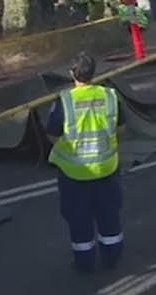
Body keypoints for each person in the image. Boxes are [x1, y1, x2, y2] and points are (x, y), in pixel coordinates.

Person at [46, 52, 124, 274]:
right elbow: (121, 128)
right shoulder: (110, 96)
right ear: (94, 73)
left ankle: (85, 262)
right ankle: (112, 257)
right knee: (109, 215)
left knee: (79, 219)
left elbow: (52, 133)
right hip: (107, 168)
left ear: (72, 73)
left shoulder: (65, 100)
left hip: (74, 172)